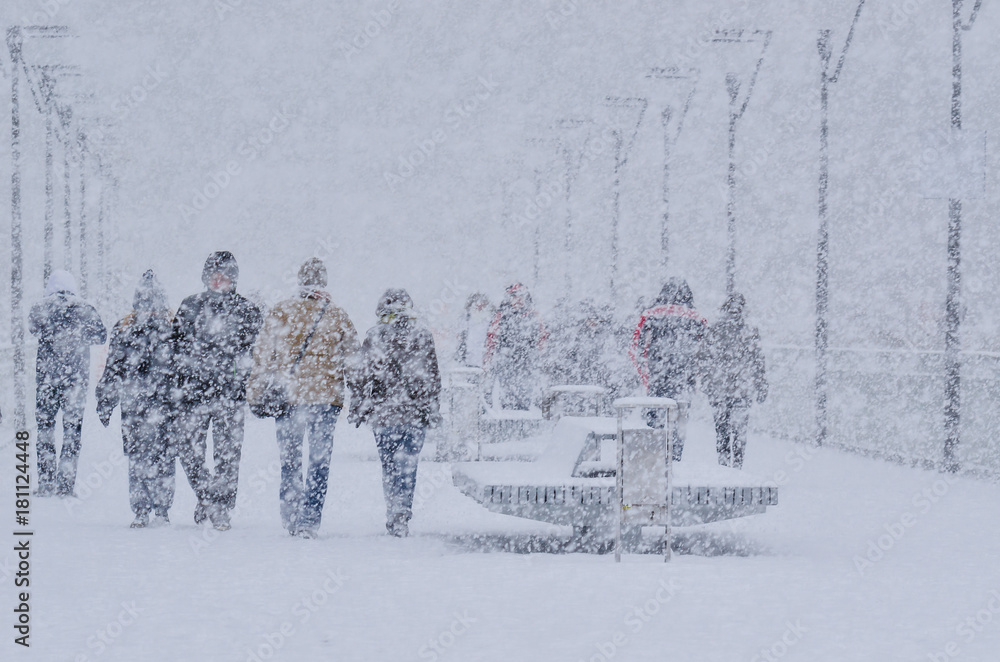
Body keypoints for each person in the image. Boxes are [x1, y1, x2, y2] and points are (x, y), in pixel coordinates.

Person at [247, 258, 359, 538]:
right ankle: (309, 519)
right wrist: (358, 395)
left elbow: (263, 355)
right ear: (324, 282)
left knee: (290, 460)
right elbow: (353, 360)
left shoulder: (281, 311)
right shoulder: (337, 315)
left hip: (289, 398)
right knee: (319, 462)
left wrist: (256, 392)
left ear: (300, 281)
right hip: (326, 399)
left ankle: (290, 514)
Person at [171, 251, 262, 530]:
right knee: (188, 450)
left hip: (229, 395)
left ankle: (221, 506)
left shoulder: (247, 310)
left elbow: (254, 352)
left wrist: (242, 378)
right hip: (192, 394)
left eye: (224, 275)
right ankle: (208, 496)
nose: (218, 280)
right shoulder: (190, 306)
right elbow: (174, 347)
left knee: (228, 457)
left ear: (233, 279)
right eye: (213, 275)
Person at [350, 289, 442, 537]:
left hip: (385, 413)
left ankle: (394, 510)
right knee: (408, 466)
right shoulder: (422, 334)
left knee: (390, 466)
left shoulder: (375, 335)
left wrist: (359, 405)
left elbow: (361, 375)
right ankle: (402, 513)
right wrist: (433, 407)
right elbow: (432, 375)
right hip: (415, 412)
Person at [96, 271, 175, 527]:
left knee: (150, 457)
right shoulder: (171, 327)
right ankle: (151, 509)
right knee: (153, 457)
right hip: (156, 404)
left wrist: (106, 400)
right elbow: (113, 368)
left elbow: (113, 368)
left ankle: (151, 510)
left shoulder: (126, 328)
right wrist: (106, 400)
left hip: (143, 404)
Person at [29, 269, 107, 497]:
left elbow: (33, 329)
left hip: (47, 379)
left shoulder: (41, 307)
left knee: (45, 429)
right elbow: (101, 336)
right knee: (72, 431)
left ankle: (46, 483)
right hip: (75, 380)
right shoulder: (85, 308)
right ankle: (65, 485)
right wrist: (79, 335)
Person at [629, 278, 706, 461]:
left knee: (655, 417)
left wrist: (645, 375)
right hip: (685, 378)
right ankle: (675, 458)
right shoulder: (697, 318)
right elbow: (705, 352)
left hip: (657, 376)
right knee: (679, 419)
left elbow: (636, 348)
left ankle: (654, 456)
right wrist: (696, 375)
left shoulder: (651, 314)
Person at [699, 293, 767, 469]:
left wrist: (707, 382)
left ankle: (723, 466)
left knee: (721, 430)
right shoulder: (750, 330)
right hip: (742, 388)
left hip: (719, 388)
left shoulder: (714, 329)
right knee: (739, 432)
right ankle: (737, 467)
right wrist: (761, 384)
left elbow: (704, 358)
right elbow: (758, 360)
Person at [483, 283, 546, 410]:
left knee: (525, 392)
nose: (518, 300)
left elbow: (542, 337)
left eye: (521, 296)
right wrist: (489, 358)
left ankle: (522, 411)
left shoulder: (534, 315)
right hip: (506, 360)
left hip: (527, 361)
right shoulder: (501, 315)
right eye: (514, 296)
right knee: (507, 393)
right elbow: (491, 338)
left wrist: (540, 356)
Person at [454, 293, 493, 369]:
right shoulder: (466, 317)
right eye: (477, 303)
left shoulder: (490, 318)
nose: (479, 306)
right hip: (467, 358)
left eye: (482, 303)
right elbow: (459, 335)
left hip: (483, 358)